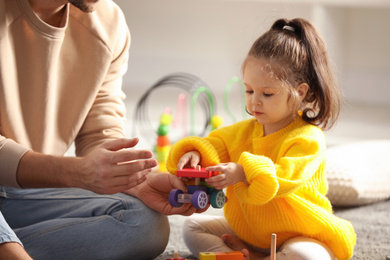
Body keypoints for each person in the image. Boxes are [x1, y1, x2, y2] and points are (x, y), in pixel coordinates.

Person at [0, 0, 204, 259]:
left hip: (27, 195)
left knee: (143, 224)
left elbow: (100, 133)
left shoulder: (108, 23)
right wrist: (75, 173)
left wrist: (134, 181)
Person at [166, 18, 356, 260]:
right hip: (248, 232)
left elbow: (285, 177)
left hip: (300, 234)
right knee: (192, 228)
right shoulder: (244, 132)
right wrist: (194, 154)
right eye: (249, 90)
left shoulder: (308, 139)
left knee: (307, 256)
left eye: (267, 93)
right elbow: (215, 145)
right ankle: (245, 255)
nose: (254, 101)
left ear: (299, 92)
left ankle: (255, 256)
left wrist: (244, 172)